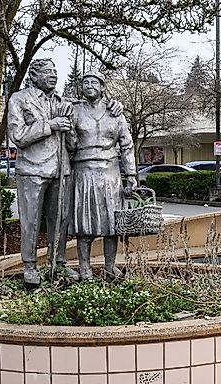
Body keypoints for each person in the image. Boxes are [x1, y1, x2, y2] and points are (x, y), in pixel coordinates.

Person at [7, 58, 76, 289]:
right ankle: (29, 266)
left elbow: (73, 141)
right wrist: (51, 125)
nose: (53, 75)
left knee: (60, 220)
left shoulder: (61, 101)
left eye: (55, 71)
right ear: (34, 76)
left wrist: (69, 124)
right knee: (31, 221)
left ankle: (58, 262)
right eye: (47, 71)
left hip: (61, 168)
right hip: (33, 170)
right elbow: (18, 136)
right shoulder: (19, 99)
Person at [67, 71, 137, 280]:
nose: (89, 85)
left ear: (102, 87)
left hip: (110, 173)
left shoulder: (114, 112)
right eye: (85, 82)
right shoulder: (75, 110)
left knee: (111, 225)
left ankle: (109, 267)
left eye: (94, 82)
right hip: (83, 172)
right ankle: (85, 268)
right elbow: (69, 145)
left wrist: (131, 174)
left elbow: (127, 145)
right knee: (85, 224)